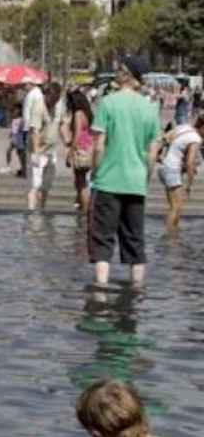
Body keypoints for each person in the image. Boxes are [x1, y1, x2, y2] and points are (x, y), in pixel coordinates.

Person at [89, 56, 161, 288]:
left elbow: (99, 145)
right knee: (135, 240)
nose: (116, 73)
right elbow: (153, 152)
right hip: (136, 182)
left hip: (108, 181)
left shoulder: (108, 103)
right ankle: (137, 289)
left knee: (102, 240)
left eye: (119, 69)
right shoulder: (150, 108)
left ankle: (100, 289)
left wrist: (95, 170)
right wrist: (145, 177)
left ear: (127, 74)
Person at [158, 115, 202, 231]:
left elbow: (164, 138)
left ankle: (174, 231)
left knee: (176, 205)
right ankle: (169, 236)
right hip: (172, 170)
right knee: (176, 206)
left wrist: (159, 156)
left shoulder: (184, 127)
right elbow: (190, 162)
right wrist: (190, 184)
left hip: (165, 168)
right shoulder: (196, 139)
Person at [27, 82, 63, 212]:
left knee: (47, 184)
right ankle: (31, 211)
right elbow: (35, 131)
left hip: (51, 150)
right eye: (53, 98)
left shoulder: (59, 106)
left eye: (57, 98)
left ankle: (42, 209)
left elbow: (61, 124)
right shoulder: (39, 106)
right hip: (39, 150)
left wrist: (68, 143)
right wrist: (36, 153)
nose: (55, 101)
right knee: (35, 184)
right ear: (47, 95)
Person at [65, 91, 95, 214]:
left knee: (81, 182)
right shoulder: (87, 113)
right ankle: (83, 207)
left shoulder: (78, 114)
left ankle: (85, 210)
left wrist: (70, 152)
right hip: (88, 147)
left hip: (81, 149)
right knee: (82, 181)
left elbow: (77, 134)